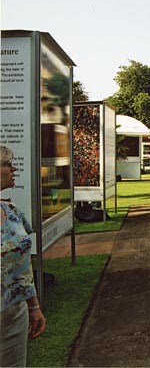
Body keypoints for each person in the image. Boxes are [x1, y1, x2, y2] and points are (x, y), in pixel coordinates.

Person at [1, 145, 46, 367]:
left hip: (15, 315)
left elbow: (23, 266)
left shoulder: (12, 211)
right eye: (8, 164)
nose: (14, 169)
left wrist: (34, 306)